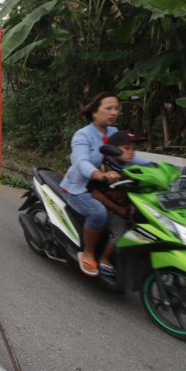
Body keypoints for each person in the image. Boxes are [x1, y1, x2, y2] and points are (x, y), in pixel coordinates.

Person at [59, 92, 149, 276]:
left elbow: (128, 155)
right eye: (108, 108)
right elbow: (81, 161)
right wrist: (98, 174)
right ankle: (89, 252)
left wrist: (155, 167)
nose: (113, 112)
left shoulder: (114, 133)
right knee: (98, 213)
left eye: (116, 108)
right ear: (94, 112)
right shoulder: (82, 135)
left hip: (106, 186)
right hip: (79, 188)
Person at [88, 131, 148, 276]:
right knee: (120, 233)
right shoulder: (103, 167)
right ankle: (104, 258)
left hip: (125, 207)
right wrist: (119, 209)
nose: (131, 152)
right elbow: (94, 193)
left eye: (134, 149)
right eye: (127, 148)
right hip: (107, 207)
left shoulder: (132, 167)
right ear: (112, 149)